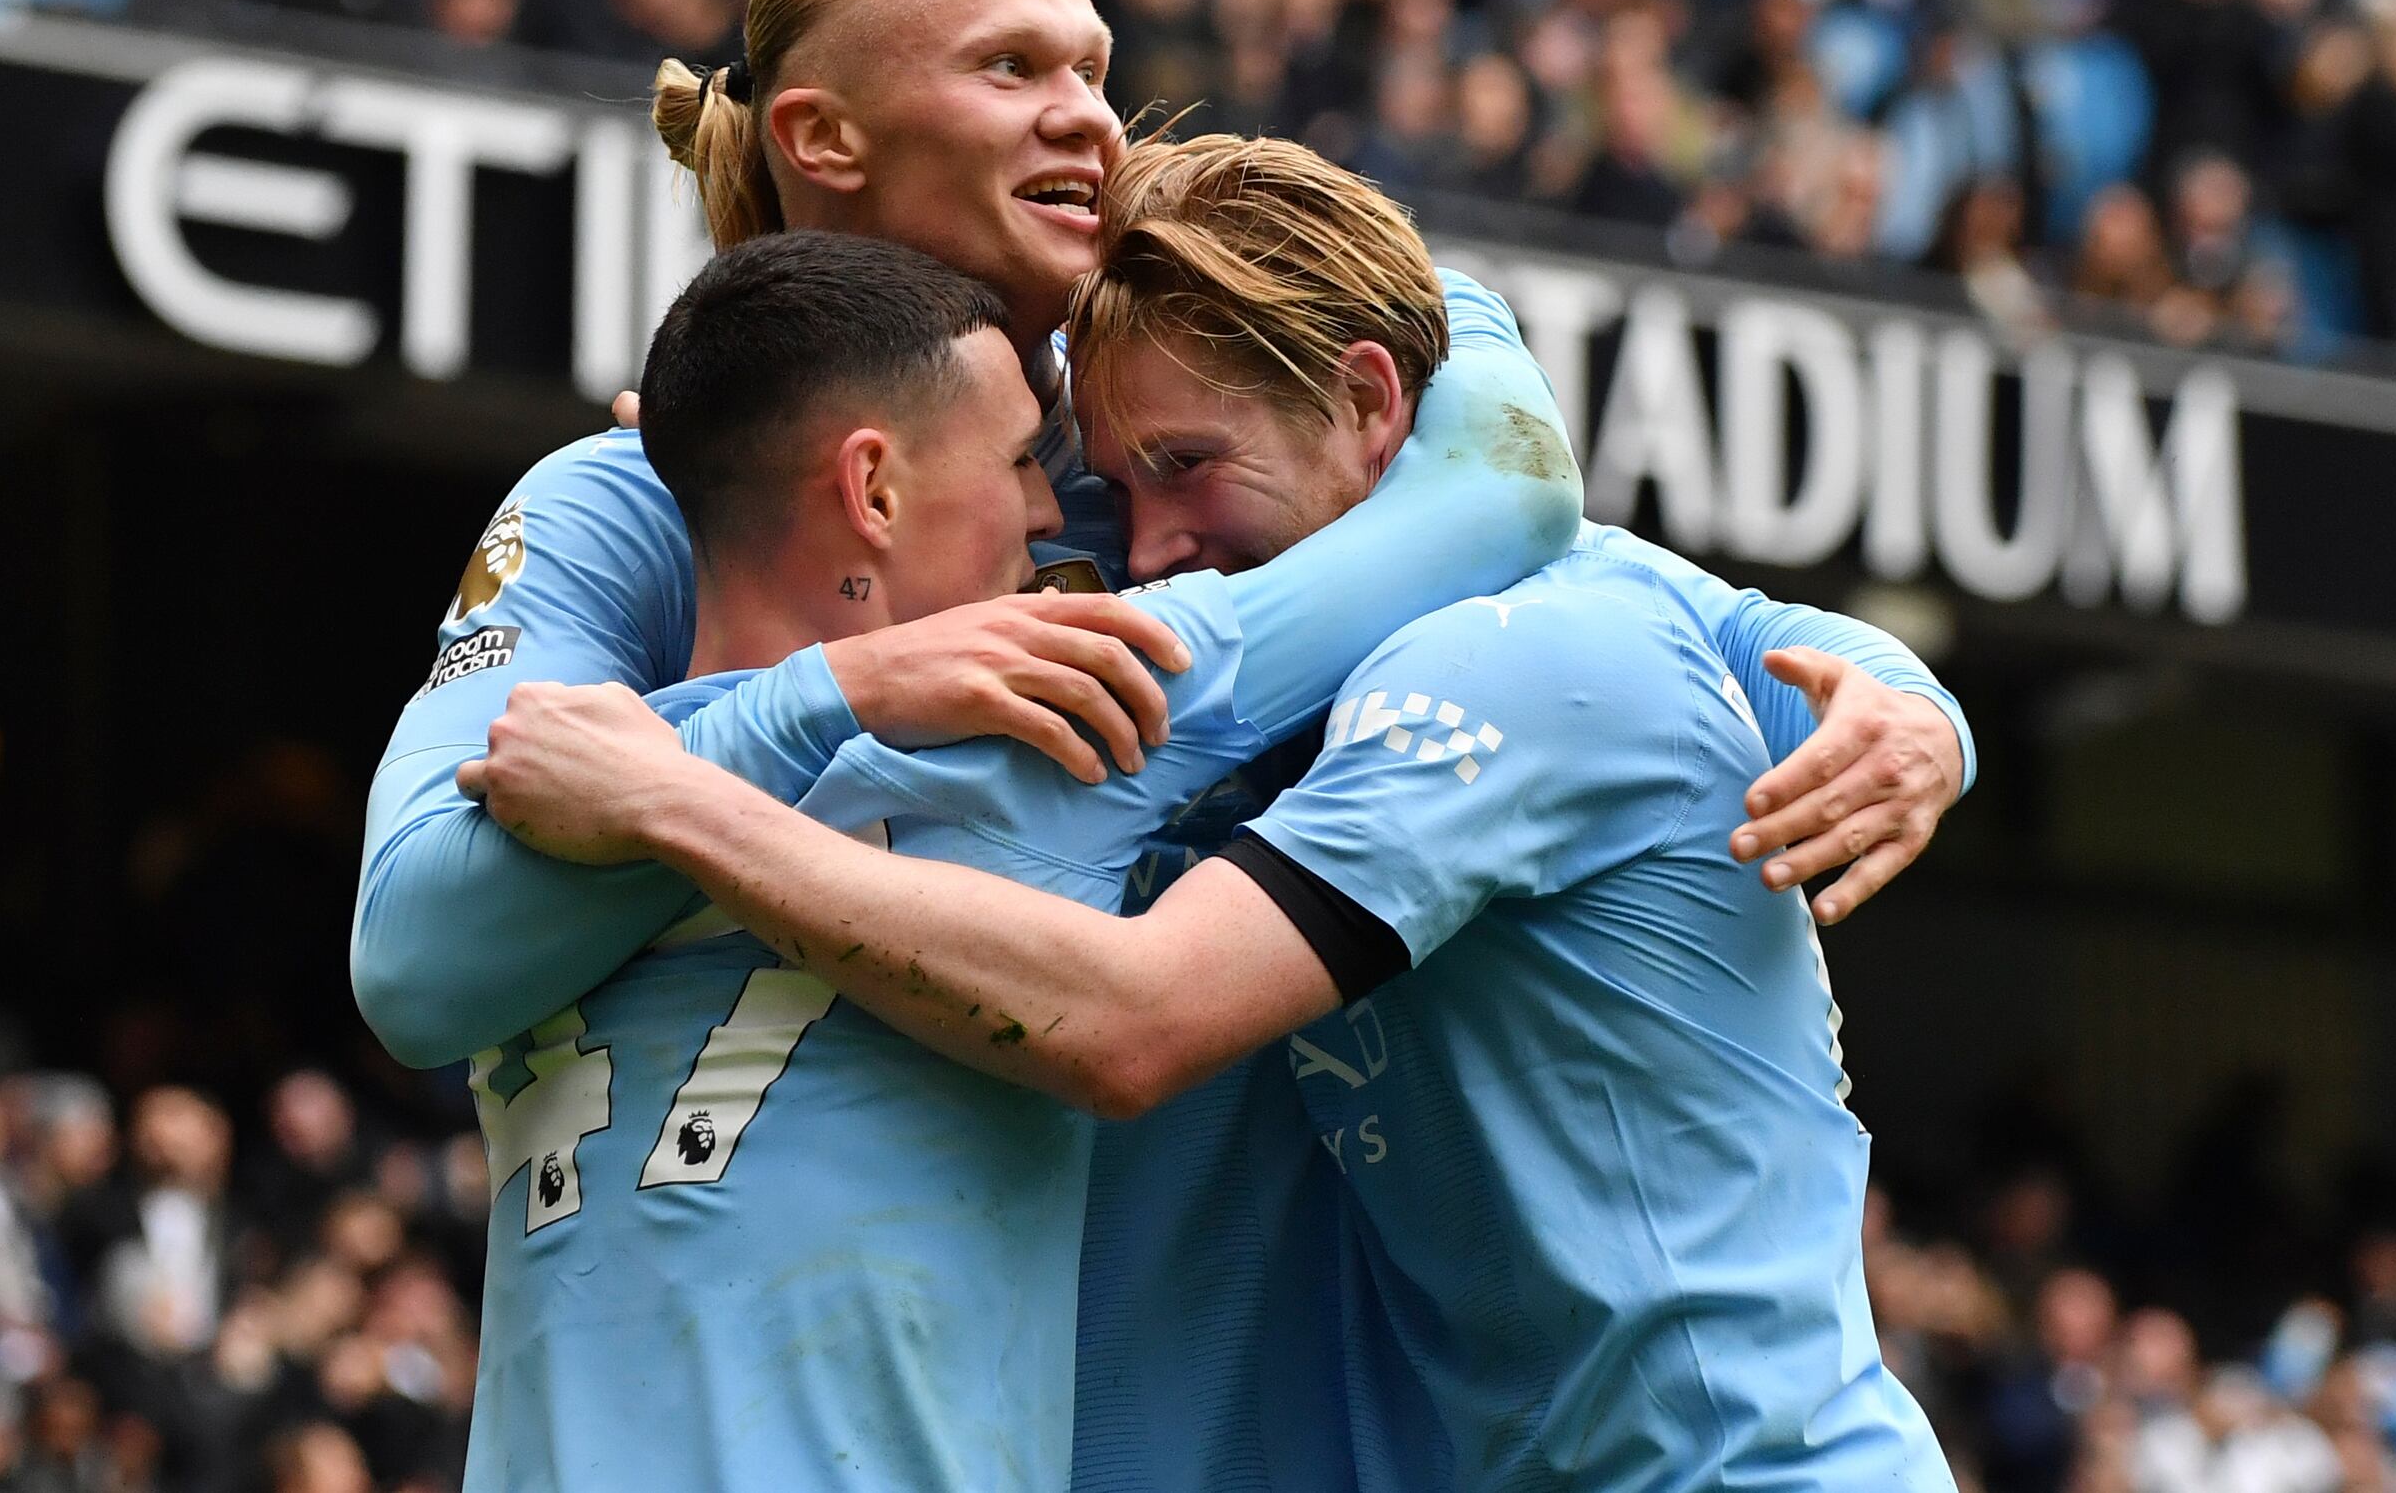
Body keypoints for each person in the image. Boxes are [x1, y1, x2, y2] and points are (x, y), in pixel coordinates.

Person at [349, 0, 1972, 1492]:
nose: (1089, 123)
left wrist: (1900, 693)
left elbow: (1534, 517)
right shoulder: (646, 493)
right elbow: (422, 951)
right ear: (823, 138)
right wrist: (843, 686)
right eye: (1013, 71)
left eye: (1093, 70)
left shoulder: (1220, 428)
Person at [450, 225, 1581, 1489]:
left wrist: (749, 739)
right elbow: (1505, 490)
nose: (1062, 514)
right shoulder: (1063, 705)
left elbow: (408, 968)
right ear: (873, 490)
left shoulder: (545, 787)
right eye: (1021, 460)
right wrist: (1448, 290)